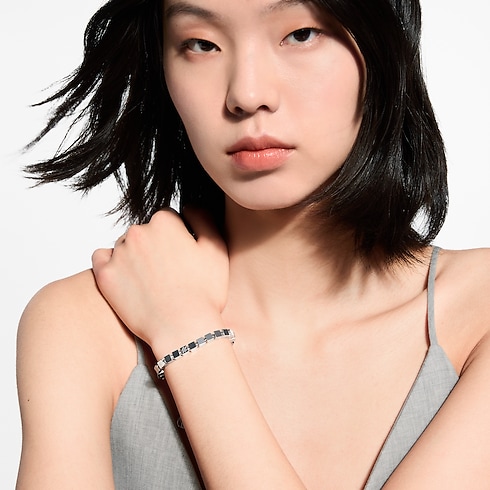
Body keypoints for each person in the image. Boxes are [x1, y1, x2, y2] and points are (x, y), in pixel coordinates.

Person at [15, 0, 490, 488]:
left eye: (301, 34)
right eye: (201, 44)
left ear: (385, 44)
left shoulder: (478, 313)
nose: (246, 94)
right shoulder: (84, 326)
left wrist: (186, 332)